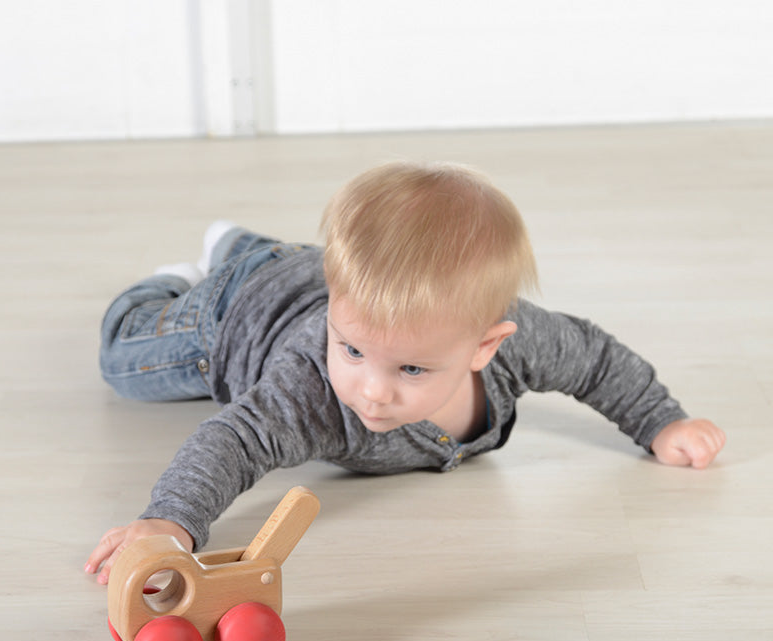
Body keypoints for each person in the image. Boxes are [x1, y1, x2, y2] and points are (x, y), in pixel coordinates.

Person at [85, 162, 725, 583]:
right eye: (353, 351)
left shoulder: (521, 340)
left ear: (485, 345)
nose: (371, 388)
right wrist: (172, 520)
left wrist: (660, 420)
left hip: (314, 274)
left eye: (411, 368)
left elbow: (595, 358)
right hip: (229, 318)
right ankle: (196, 271)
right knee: (120, 354)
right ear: (339, 310)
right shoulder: (310, 385)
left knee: (295, 270)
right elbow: (233, 442)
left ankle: (244, 246)